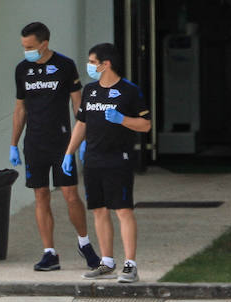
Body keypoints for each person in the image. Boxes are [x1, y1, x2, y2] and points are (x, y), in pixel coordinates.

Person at [11, 21, 99, 272]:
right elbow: (20, 109)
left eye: (30, 46)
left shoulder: (64, 65)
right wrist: (13, 144)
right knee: (41, 195)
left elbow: (77, 103)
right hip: (34, 143)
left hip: (61, 142)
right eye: (23, 46)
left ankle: (84, 243)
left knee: (71, 194)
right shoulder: (22, 70)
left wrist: (82, 139)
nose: (26, 51)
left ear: (44, 44)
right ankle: (49, 252)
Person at [63, 43, 152, 283]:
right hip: (93, 159)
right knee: (99, 210)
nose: (90, 66)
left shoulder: (129, 91)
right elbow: (81, 123)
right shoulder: (90, 91)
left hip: (118, 159)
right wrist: (69, 152)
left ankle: (130, 264)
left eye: (92, 62)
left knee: (123, 210)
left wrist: (122, 119)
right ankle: (106, 262)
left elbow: (146, 125)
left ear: (106, 64)